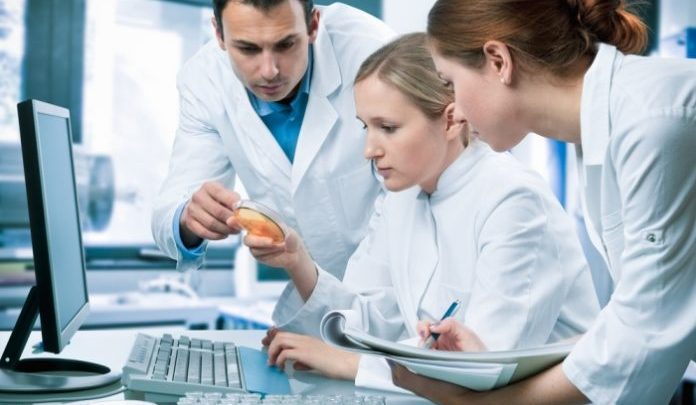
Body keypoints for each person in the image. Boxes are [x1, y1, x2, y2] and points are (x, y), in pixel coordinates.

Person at [243, 33, 599, 390]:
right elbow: (371, 320)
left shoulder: (513, 200)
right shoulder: (402, 196)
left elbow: (487, 363)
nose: (369, 150)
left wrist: (348, 364)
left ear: (451, 120)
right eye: (366, 127)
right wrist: (298, 262)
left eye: (388, 128)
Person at [389, 1, 696, 404]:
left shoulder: (652, 120)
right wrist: (493, 365)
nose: (456, 112)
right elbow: (633, 322)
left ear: (498, 61)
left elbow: (643, 330)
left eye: (451, 82)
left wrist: (477, 403)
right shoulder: (603, 129)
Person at [151, 0, 395, 281]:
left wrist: (364, 297)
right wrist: (190, 217)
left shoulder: (375, 55)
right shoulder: (204, 80)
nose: (269, 71)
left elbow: (411, 197)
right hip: (315, 289)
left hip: (397, 280)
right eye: (248, 48)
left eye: (285, 44)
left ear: (313, 25)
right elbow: (169, 212)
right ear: (219, 34)